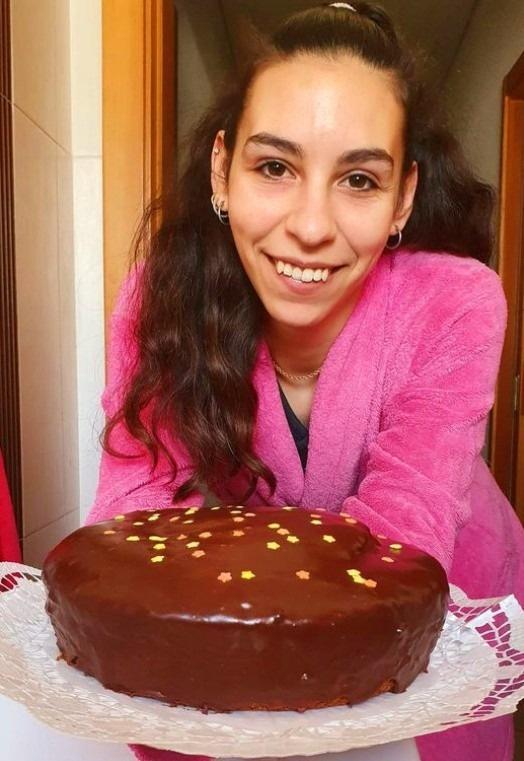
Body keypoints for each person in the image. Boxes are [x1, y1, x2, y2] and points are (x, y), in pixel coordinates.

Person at [87, 2, 524, 760]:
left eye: (358, 179)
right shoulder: (160, 299)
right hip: (246, 640)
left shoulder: (457, 302)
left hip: (435, 609)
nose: (312, 226)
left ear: (403, 198)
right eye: (275, 167)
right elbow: (134, 527)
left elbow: (406, 531)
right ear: (222, 170)